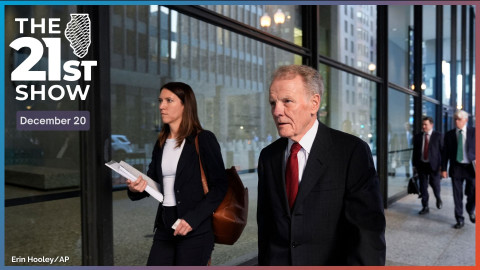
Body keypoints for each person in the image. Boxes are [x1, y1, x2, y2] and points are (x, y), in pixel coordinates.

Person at [257, 65, 386, 266]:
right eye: (273, 103)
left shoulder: (351, 152)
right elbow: (266, 225)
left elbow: (367, 232)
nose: (277, 111)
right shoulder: (268, 156)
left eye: (287, 101)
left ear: (314, 103)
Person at [126, 82, 228, 265]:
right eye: (160, 101)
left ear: (184, 105)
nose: (161, 106)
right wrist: (136, 188)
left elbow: (220, 187)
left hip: (195, 230)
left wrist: (192, 220)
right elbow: (154, 182)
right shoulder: (161, 143)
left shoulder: (203, 139)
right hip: (165, 227)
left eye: (168, 100)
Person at [441, 110, 475, 229]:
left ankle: (470, 209)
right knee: (457, 195)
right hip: (456, 168)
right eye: (455, 119)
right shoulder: (449, 134)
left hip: (471, 168)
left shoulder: (474, 132)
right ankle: (459, 219)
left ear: (466, 120)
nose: (457, 121)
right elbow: (445, 153)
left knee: (473, 192)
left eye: (459, 119)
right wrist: (444, 168)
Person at [411, 116, 443, 215]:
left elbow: (443, 152)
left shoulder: (438, 136)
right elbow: (415, 152)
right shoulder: (418, 136)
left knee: (435, 185)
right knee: (423, 187)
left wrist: (443, 167)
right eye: (423, 124)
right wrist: (414, 165)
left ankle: (438, 198)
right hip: (422, 165)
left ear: (431, 125)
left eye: (426, 124)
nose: (423, 126)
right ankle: (425, 206)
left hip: (434, 166)